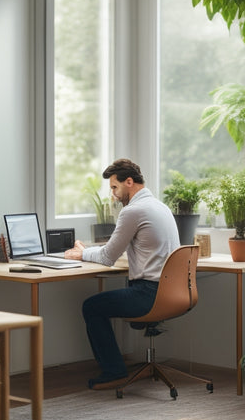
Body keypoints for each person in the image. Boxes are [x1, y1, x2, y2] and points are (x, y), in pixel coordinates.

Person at [64, 158, 180, 390]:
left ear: (129, 182)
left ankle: (114, 371)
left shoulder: (133, 211)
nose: (114, 195)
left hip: (149, 294)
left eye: (115, 187)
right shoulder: (160, 207)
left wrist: (82, 253)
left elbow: (107, 257)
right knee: (102, 302)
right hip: (174, 293)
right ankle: (114, 368)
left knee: (92, 307)